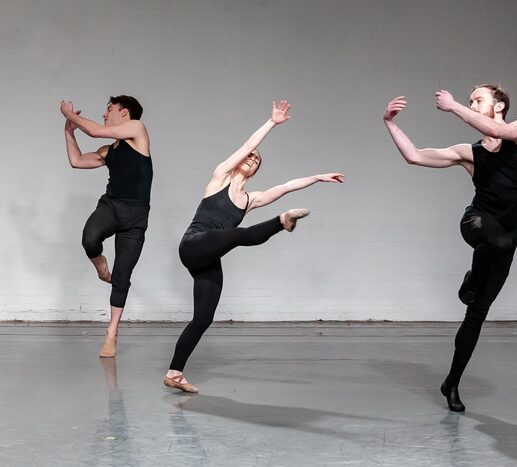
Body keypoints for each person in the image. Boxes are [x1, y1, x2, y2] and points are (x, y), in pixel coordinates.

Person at [164, 100, 344, 393]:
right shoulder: (220, 177)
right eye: (250, 156)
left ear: (256, 171)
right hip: (194, 244)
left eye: (257, 160)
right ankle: (281, 222)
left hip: (210, 257)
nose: (252, 158)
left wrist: (317, 178)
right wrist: (271, 123)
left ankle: (175, 373)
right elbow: (249, 143)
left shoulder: (250, 200)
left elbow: (285, 186)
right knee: (236, 236)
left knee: (204, 318)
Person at [383, 85, 517, 411]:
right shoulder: (470, 153)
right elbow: (415, 156)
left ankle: (451, 382)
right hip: (476, 223)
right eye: (468, 101)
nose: (470, 104)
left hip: (507, 241)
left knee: (477, 314)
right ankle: (471, 279)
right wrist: (391, 123)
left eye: (477, 100)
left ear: (499, 104)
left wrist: (453, 106)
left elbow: (497, 130)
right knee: (495, 239)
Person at [61, 95, 152, 357]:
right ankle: (102, 268)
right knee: (90, 238)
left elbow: (95, 130)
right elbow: (77, 161)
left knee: (122, 277)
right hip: (111, 206)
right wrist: (69, 132)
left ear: (125, 113)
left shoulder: (137, 130)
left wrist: (70, 115)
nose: (104, 114)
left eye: (109, 109)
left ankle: (111, 334)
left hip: (136, 218)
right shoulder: (109, 152)